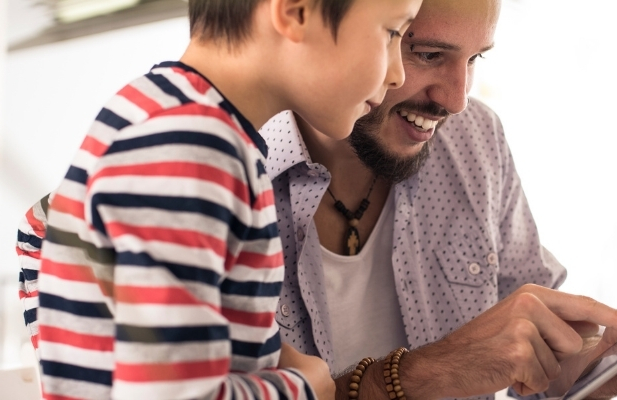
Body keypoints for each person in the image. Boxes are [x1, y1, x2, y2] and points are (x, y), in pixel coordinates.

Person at [19, 0, 617, 399]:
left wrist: (601, 358)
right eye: (409, 43)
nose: (457, 98)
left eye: (476, 59)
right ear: (296, 12)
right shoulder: (192, 156)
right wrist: (312, 386)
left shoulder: (166, 123)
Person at [22, 0, 425, 398]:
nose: (397, 74)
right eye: (391, 32)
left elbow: (38, 225)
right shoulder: (194, 148)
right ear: (296, 12)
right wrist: (305, 389)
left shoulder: (154, 109)